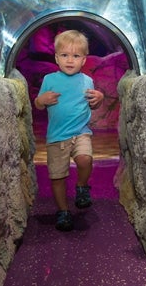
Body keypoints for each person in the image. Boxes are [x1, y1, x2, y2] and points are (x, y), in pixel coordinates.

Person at [34, 29, 104, 231]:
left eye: (76, 56)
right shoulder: (49, 79)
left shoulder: (87, 81)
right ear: (56, 58)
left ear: (84, 60)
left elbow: (93, 104)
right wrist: (41, 100)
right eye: (64, 55)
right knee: (58, 176)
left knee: (85, 159)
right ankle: (63, 211)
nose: (70, 60)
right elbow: (38, 104)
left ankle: (82, 186)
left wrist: (98, 99)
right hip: (57, 136)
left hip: (81, 131)